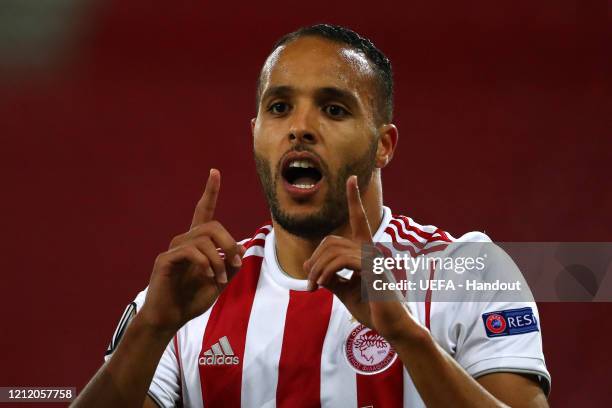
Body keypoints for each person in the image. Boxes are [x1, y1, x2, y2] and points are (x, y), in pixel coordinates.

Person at [73, 24, 550, 407]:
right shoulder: (189, 293)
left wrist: (408, 338)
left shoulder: (466, 272)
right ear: (255, 134)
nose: (300, 128)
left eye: (333, 109)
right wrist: (152, 330)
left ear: (383, 145)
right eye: (279, 108)